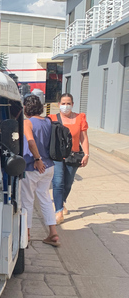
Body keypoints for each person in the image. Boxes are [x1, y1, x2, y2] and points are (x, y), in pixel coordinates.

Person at [21, 95, 60, 247]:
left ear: (26, 107)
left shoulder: (27, 123)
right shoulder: (48, 122)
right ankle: (53, 233)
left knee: (27, 201)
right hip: (49, 166)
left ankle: (27, 234)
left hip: (33, 166)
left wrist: (37, 159)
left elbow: (31, 142)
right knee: (45, 199)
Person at [49, 93, 89, 224]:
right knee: (58, 182)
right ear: (59, 104)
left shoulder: (80, 118)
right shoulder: (52, 118)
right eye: (63, 103)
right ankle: (58, 210)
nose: (66, 106)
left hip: (73, 156)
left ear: (72, 104)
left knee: (68, 182)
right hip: (58, 156)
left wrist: (87, 154)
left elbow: (83, 138)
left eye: (68, 103)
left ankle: (61, 201)